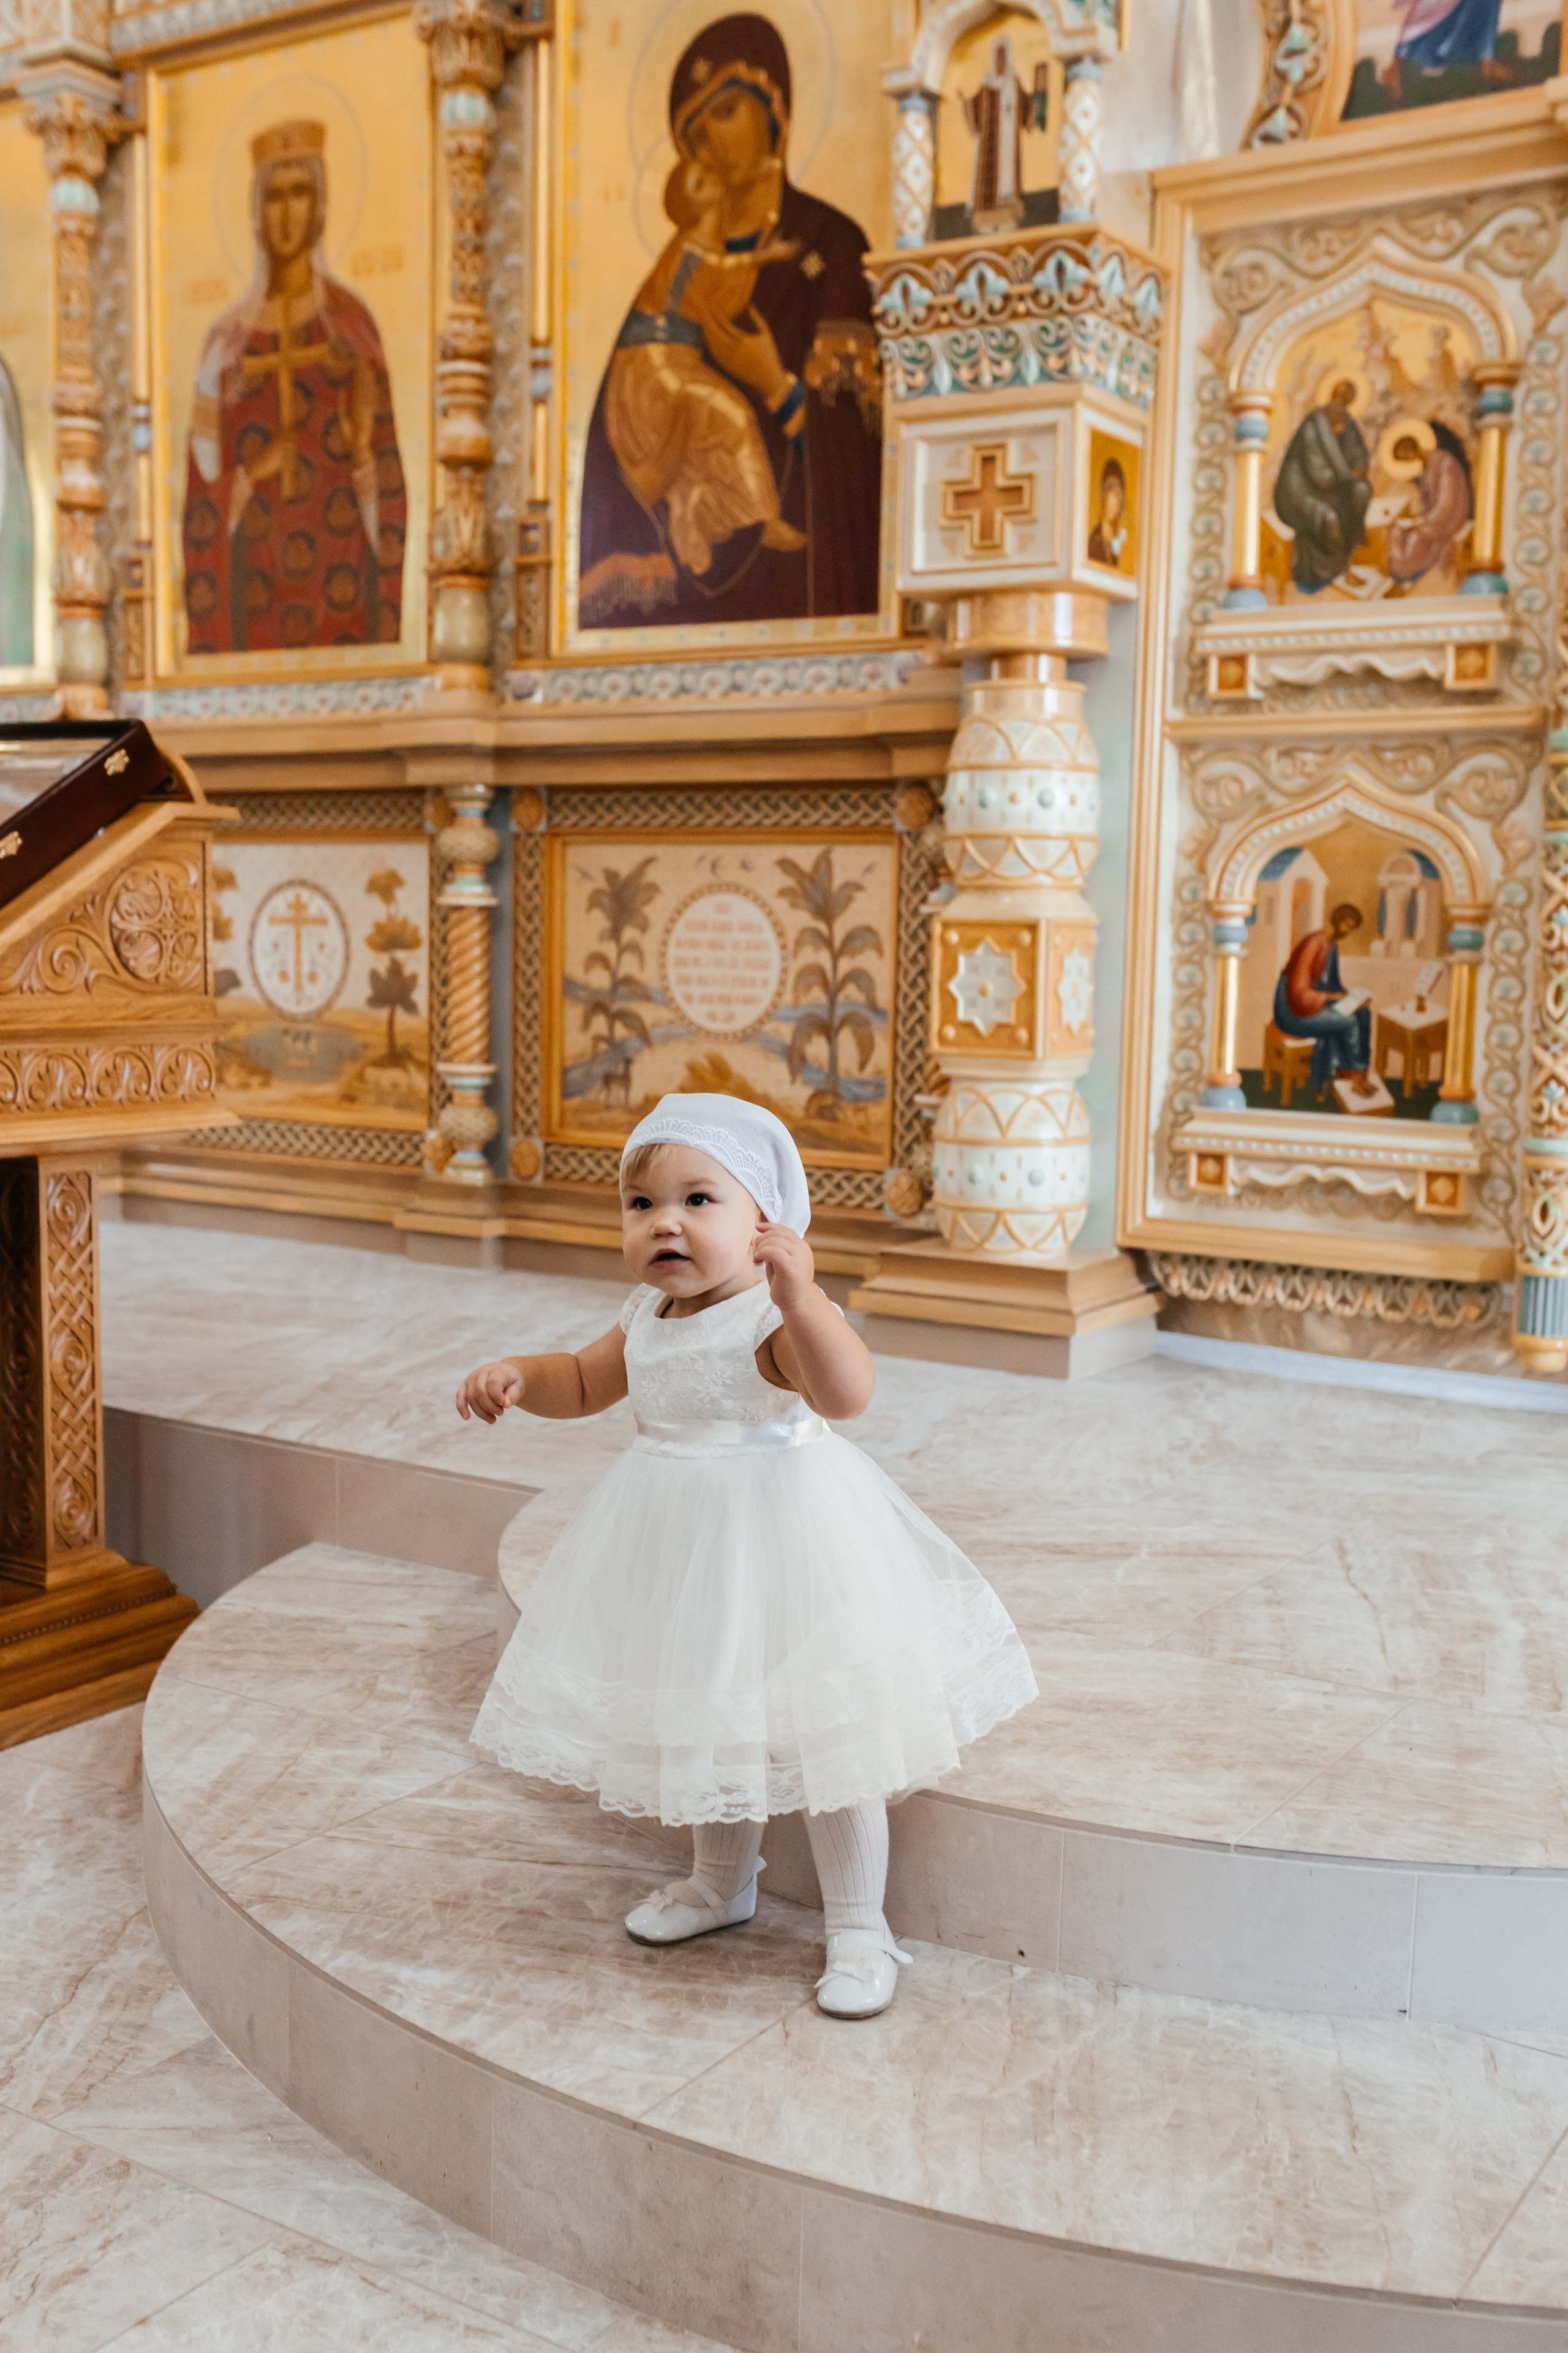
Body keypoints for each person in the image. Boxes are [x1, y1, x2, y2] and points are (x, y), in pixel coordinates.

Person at [458, 1094, 1037, 2019]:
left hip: (786, 1544)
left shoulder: (769, 1320)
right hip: (681, 1552)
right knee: (706, 1716)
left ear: (766, 1222)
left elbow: (848, 1394)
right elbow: (584, 1377)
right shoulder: (647, 1314)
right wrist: (525, 1379)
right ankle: (718, 1882)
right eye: (641, 1205)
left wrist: (803, 1299)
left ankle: (856, 1922)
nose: (665, 1223)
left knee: (828, 1734)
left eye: (698, 1200)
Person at [578, 14, 882, 630]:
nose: (711, 142)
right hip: (679, 614)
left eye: (727, 111)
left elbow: (865, 451)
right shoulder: (671, 272)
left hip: (805, 609)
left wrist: (774, 382)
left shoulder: (832, 247)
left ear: (776, 109)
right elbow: (612, 449)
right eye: (694, 131)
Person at [182, 119, 405, 655]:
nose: (286, 213)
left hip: (342, 588)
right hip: (253, 601)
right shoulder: (226, 343)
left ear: (321, 204)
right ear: (257, 211)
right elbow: (199, 503)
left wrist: (359, 456)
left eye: (300, 193)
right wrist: (252, 473)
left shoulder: (352, 327)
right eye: (274, 197)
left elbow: (392, 487)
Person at [603, 157, 808, 582]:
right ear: (690, 207)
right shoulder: (689, 247)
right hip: (654, 367)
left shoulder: (705, 244)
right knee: (733, 417)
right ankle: (761, 517)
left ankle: (705, 515)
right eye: (699, 183)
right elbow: (712, 279)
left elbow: (720, 288)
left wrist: (759, 253)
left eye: (707, 173)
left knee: (719, 433)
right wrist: (766, 256)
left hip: (673, 359)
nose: (712, 175)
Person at [1272, 379, 1371, 594]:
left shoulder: (1347, 422)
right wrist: (1349, 475)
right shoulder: (1312, 428)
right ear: (1331, 397)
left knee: (1362, 491)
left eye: (1346, 401)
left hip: (1332, 490)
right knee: (1330, 519)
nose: (1340, 406)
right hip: (1299, 495)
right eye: (1338, 398)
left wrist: (1360, 467)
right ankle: (1339, 571)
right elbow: (1319, 476)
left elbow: (1359, 453)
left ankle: (1349, 556)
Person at [1273, 903, 1377, 1100]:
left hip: (1311, 1004)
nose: (1347, 931)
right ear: (1337, 920)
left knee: (1363, 1014)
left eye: (1351, 928)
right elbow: (1298, 992)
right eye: (1346, 924)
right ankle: (1352, 1080)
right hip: (1292, 1012)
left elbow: (1332, 985)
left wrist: (1354, 998)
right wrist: (1332, 998)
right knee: (1348, 1023)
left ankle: (1358, 1075)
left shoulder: (1332, 945)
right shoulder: (1314, 942)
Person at [1385, 420, 1472, 584]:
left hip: (1451, 518)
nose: (1408, 459)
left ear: (1414, 447)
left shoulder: (1445, 462)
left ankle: (1410, 571)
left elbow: (1447, 503)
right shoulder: (1423, 471)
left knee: (1417, 537)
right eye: (1404, 459)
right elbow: (1426, 503)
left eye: (1407, 454)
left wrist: (1423, 521)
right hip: (1432, 517)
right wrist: (1418, 518)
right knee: (1397, 531)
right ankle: (1400, 573)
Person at [1087, 456, 1128, 568]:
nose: (1119, 505)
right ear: (1105, 497)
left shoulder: (1118, 539)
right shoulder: (1095, 542)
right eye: (1115, 495)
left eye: (1121, 498)